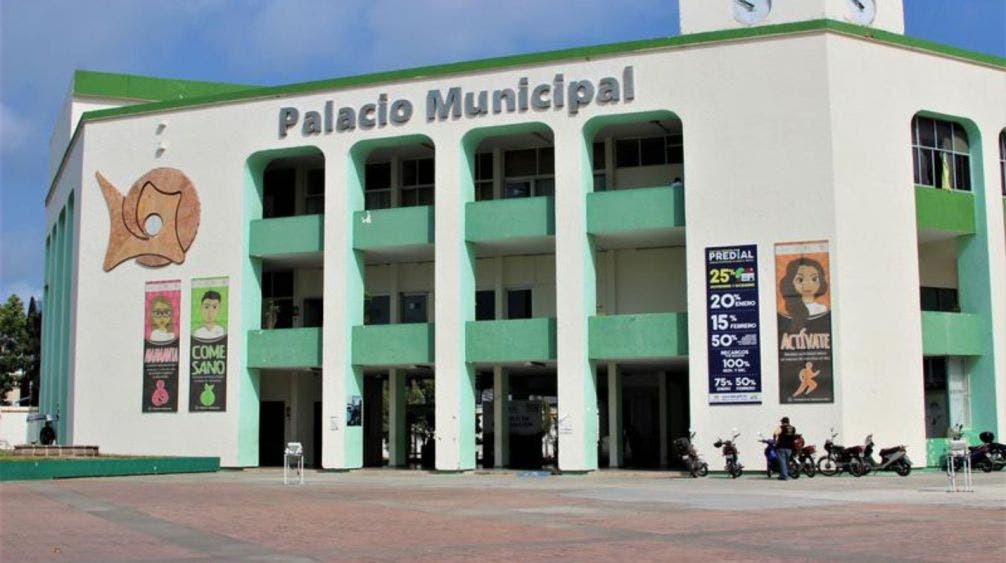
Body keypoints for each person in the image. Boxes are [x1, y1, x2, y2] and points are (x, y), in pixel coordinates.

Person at [778, 257, 829, 331]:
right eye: (800, 280)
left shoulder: (822, 309)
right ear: (791, 282)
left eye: (814, 279)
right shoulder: (786, 310)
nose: (807, 285)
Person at [774, 416, 796, 480]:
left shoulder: (781, 427)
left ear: (783, 422)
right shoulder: (793, 428)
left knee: (782, 462)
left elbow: (775, 434)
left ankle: (784, 476)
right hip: (790, 447)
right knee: (787, 462)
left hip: (781, 446)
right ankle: (784, 474)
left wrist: (775, 440)